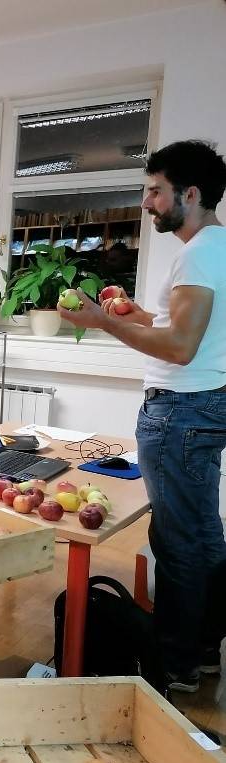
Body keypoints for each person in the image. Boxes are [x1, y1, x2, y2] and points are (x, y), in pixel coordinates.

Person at [59, 140, 226, 694]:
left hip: (180, 411)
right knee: (201, 535)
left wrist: (100, 323)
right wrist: (134, 312)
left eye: (155, 191)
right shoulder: (217, 246)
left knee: (179, 542)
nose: (146, 202)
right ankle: (201, 652)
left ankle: (175, 664)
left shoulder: (198, 252)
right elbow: (185, 329)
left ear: (191, 194)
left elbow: (178, 348)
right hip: (202, 405)